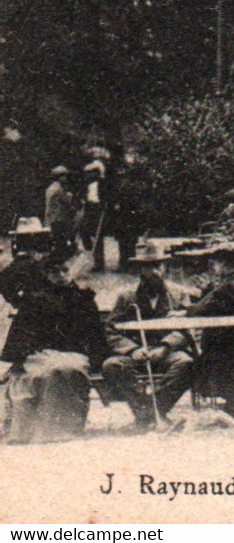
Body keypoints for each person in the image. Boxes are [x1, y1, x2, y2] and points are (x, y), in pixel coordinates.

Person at [0, 249, 108, 442]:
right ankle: (39, 431)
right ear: (46, 275)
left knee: (64, 369)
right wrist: (23, 356)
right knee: (42, 373)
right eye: (54, 272)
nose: (60, 276)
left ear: (71, 273)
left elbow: (95, 335)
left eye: (64, 271)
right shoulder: (35, 300)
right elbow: (20, 336)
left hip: (75, 354)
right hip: (40, 356)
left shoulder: (83, 300)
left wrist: (95, 356)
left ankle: (63, 430)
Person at [100, 243, 195, 431]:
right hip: (136, 354)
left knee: (186, 364)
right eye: (147, 267)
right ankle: (152, 415)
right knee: (111, 366)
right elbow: (110, 329)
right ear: (139, 270)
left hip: (167, 353)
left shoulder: (178, 294)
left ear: (164, 268)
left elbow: (186, 327)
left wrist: (166, 347)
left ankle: (150, 413)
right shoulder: (127, 297)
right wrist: (132, 349)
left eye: (157, 266)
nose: (152, 271)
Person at [185, 242, 234, 419]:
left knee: (228, 377)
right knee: (233, 378)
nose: (215, 267)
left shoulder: (229, 286)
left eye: (217, 262)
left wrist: (186, 310)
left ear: (226, 264)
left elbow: (206, 307)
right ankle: (231, 412)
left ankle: (230, 414)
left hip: (225, 343)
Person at [42, 168, 76, 258]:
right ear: (58, 177)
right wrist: (69, 196)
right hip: (58, 218)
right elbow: (66, 202)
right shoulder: (58, 189)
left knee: (56, 240)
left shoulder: (51, 187)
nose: (65, 178)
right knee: (60, 240)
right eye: (63, 175)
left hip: (52, 217)